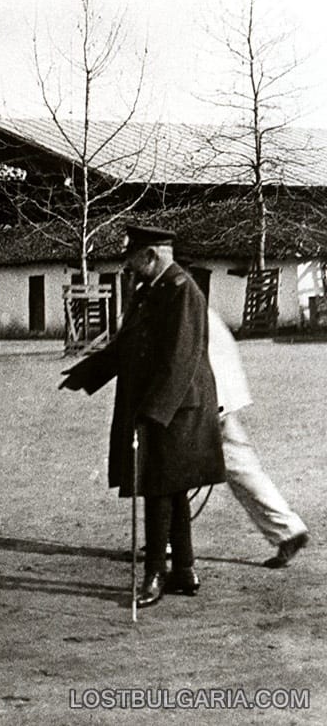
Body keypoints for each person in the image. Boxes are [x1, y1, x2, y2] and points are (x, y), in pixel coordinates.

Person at [59, 226, 225, 609]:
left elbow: (180, 360)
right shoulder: (150, 292)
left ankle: (155, 575)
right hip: (162, 406)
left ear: (151, 255)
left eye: (132, 260)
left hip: (174, 409)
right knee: (174, 487)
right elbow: (127, 347)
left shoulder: (183, 291)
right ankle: (184, 570)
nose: (128, 268)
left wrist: (153, 412)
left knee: (157, 485)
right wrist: (86, 374)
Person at [207, 307, 309, 568]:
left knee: (178, 470)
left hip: (210, 403)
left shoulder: (186, 306)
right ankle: (289, 529)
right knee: (242, 468)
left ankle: (168, 542)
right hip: (222, 401)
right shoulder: (204, 310)